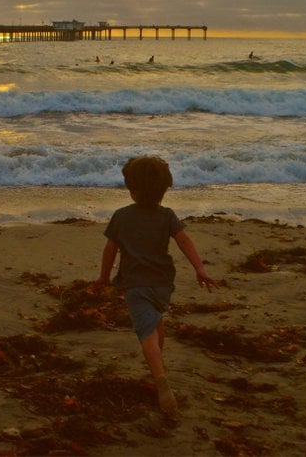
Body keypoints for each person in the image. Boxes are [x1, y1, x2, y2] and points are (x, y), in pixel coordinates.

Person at [96, 155, 217, 417]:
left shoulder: (121, 216)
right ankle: (157, 363)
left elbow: (110, 249)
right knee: (155, 320)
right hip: (163, 285)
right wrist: (199, 268)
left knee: (146, 332)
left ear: (132, 189)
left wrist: (104, 278)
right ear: (164, 190)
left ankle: (160, 381)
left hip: (135, 285)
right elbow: (185, 242)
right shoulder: (167, 216)